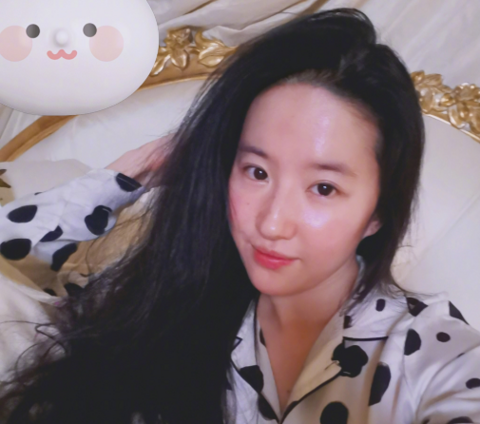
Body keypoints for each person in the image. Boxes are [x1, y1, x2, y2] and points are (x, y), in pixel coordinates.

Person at [0, 8, 479, 424]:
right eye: (257, 172)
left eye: (324, 188)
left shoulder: (431, 353)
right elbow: (10, 256)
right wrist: (129, 174)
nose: (271, 224)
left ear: (378, 213)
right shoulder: (161, 301)